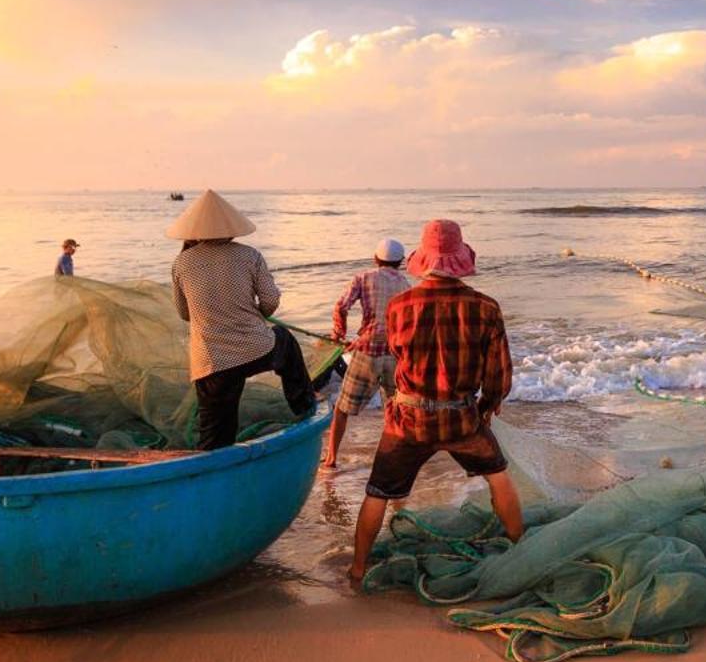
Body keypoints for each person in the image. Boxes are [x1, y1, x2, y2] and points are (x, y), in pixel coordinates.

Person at [348, 220, 524, 584]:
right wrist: (487, 407)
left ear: (422, 260)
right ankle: (521, 552)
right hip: (461, 417)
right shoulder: (486, 308)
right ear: (461, 260)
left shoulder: (399, 307)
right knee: (499, 477)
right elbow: (499, 376)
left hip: (407, 420)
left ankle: (358, 568)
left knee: (377, 492)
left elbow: (398, 356)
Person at [166, 190, 316, 449]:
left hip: (212, 362)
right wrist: (254, 311)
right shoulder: (249, 255)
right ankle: (303, 405)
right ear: (231, 228)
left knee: (214, 438)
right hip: (256, 348)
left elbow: (184, 314)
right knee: (285, 342)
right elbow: (270, 303)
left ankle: (214, 476)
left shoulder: (181, 263)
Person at [323, 237, 413, 467]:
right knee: (393, 411)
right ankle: (393, 456)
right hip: (395, 355)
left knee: (342, 409)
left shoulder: (363, 278)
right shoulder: (406, 286)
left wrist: (339, 333)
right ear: (401, 262)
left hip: (367, 352)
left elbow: (341, 306)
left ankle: (332, 458)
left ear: (375, 259)